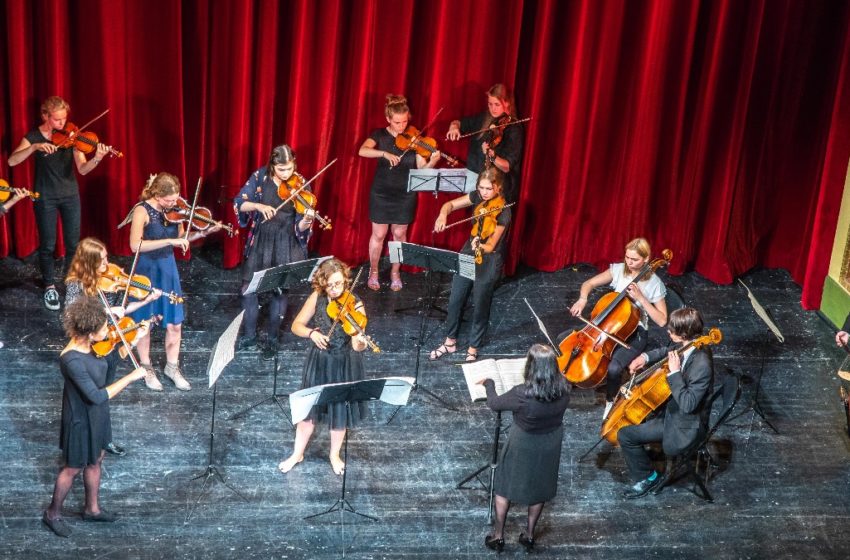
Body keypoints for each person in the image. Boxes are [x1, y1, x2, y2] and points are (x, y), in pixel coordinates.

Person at [42, 296, 147, 537]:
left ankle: (92, 509)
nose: (107, 331)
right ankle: (52, 513)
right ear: (89, 332)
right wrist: (131, 377)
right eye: (102, 329)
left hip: (98, 415)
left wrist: (130, 343)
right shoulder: (71, 359)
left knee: (96, 459)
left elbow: (105, 371)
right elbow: (96, 395)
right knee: (73, 467)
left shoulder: (92, 346)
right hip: (80, 419)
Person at [8, 96, 113, 311]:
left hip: (70, 196)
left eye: (64, 119)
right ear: (45, 116)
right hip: (44, 196)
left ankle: (72, 285)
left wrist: (97, 158)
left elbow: (83, 169)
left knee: (74, 245)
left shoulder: (73, 136)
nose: (62, 125)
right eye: (57, 120)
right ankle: (49, 286)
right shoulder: (33, 136)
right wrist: (35, 147)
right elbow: (12, 160)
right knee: (47, 245)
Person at [64, 237, 161, 455]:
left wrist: (147, 300)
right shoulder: (75, 283)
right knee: (95, 395)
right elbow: (71, 315)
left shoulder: (110, 278)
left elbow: (123, 310)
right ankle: (88, 438)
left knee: (107, 392)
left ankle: (105, 439)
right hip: (88, 346)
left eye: (106, 258)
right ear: (88, 263)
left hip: (109, 340)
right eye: (101, 261)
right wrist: (107, 312)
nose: (107, 265)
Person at [124, 172, 216, 391]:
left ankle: (172, 367)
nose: (174, 204)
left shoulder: (176, 211)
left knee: (175, 324)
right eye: (169, 200)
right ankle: (146, 368)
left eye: (175, 199)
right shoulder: (141, 210)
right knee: (145, 324)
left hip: (168, 271)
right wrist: (169, 240)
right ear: (157, 194)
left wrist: (204, 232)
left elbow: (181, 240)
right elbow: (135, 246)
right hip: (146, 272)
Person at [278, 258, 368, 476]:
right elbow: (296, 325)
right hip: (318, 362)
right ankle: (297, 453)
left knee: (339, 414)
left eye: (339, 284)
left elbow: (358, 345)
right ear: (322, 283)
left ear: (346, 280)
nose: (336, 289)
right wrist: (312, 333)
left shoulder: (354, 303)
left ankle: (334, 455)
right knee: (307, 413)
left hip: (343, 363)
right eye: (331, 285)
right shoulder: (316, 297)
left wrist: (359, 340)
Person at [478, 344, 570, 552]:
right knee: (539, 489)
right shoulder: (565, 388)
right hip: (551, 442)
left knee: (504, 487)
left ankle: (498, 536)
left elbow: (494, 404)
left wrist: (489, 384)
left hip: (524, 443)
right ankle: (529, 535)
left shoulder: (523, 393)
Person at [617, 307, 714, 499]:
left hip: (685, 423)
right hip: (673, 408)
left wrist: (674, 373)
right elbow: (667, 351)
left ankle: (647, 477)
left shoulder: (702, 364)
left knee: (625, 435)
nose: (668, 332)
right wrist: (644, 357)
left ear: (683, 334)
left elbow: (688, 405)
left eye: (671, 331)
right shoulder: (689, 344)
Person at [568, 238, 668, 419]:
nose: (629, 263)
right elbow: (588, 284)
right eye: (627, 257)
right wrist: (582, 299)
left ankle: (610, 401)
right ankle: (569, 377)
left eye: (634, 260)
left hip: (635, 333)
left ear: (645, 260)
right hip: (606, 326)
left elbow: (662, 320)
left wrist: (642, 298)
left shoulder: (654, 283)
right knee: (567, 338)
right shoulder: (619, 270)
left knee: (614, 369)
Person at [233, 144, 314, 360]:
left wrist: (307, 220)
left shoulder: (301, 183)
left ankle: (272, 338)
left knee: (280, 291)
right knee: (249, 289)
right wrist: (259, 207)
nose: (287, 175)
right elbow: (239, 203)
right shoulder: (260, 177)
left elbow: (301, 227)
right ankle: (249, 335)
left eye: (289, 169)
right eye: (281, 170)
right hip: (262, 239)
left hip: (286, 241)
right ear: (273, 165)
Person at [358, 94, 440, 291]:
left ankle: (395, 271)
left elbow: (422, 172)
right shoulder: (379, 135)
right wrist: (384, 153)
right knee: (378, 235)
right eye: (397, 122)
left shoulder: (415, 140)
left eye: (404, 121)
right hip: (381, 193)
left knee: (400, 233)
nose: (402, 126)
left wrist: (433, 160)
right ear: (388, 119)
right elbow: (362, 150)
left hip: (405, 195)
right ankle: (374, 271)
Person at [430, 167, 511, 362]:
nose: (484, 193)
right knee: (455, 299)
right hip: (468, 251)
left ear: (498, 188)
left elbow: (491, 245)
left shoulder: (504, 211)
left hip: (489, 258)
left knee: (480, 304)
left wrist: (480, 244)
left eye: (488, 189)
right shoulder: (477, 197)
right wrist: (443, 215)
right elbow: (449, 204)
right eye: (481, 188)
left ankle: (473, 348)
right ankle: (450, 342)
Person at [446, 84, 524, 203]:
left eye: (497, 104)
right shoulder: (484, 118)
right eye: (490, 104)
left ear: (507, 103)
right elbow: (460, 122)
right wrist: (454, 127)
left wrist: (492, 156)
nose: (493, 108)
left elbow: (507, 166)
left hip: (498, 190)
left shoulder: (514, 129)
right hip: (477, 184)